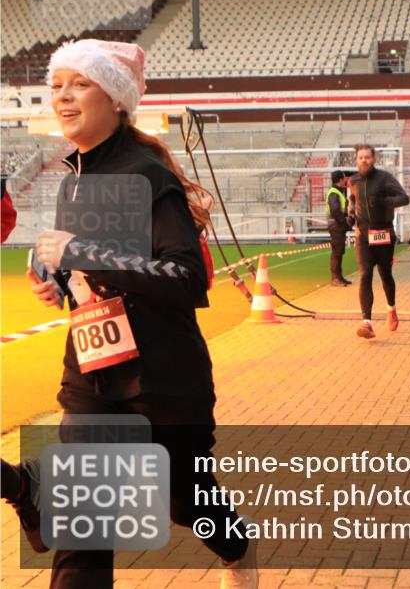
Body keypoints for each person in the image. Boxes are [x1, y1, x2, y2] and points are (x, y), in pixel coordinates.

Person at [15, 39, 257, 589]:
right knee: (83, 533)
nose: (63, 97)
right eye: (57, 86)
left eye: (80, 84)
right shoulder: (73, 179)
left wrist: (80, 254)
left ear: (116, 99)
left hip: (161, 382)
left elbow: (186, 279)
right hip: (93, 376)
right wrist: (60, 284)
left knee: (188, 501)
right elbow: (90, 271)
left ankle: (236, 549)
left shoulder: (149, 176)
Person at [347, 145, 410, 339]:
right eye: (360, 157)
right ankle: (366, 322)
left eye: (367, 157)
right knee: (365, 274)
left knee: (385, 274)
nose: (364, 160)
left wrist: (384, 202)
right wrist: (350, 215)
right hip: (363, 236)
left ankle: (391, 308)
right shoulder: (353, 180)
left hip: (383, 234)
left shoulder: (384, 178)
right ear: (356, 160)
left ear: (374, 159)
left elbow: (404, 198)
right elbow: (352, 200)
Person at [326, 170, 352, 286]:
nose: (345, 180)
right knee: (337, 252)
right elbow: (336, 212)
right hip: (336, 225)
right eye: (344, 178)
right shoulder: (334, 193)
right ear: (340, 180)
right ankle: (335, 278)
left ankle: (339, 277)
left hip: (338, 225)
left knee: (339, 252)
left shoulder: (337, 192)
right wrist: (345, 223)